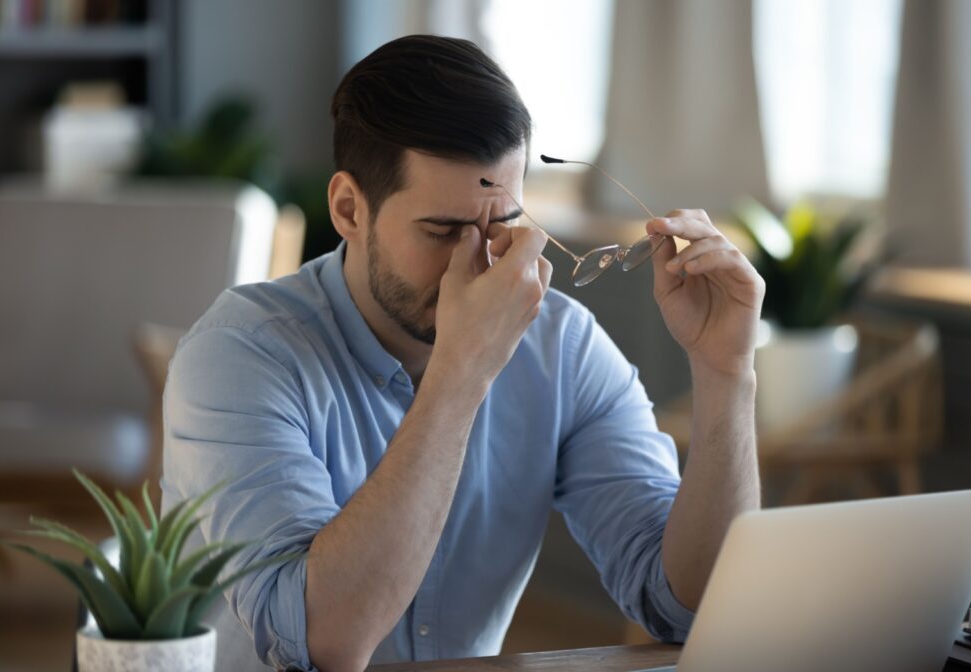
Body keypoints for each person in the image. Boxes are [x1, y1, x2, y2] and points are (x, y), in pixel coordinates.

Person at [162, 34, 764, 672]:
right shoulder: (238, 356)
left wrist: (726, 373)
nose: (476, 263)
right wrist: (462, 368)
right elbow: (322, 645)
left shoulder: (562, 344)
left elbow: (690, 607)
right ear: (348, 209)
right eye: (443, 230)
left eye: (500, 224)